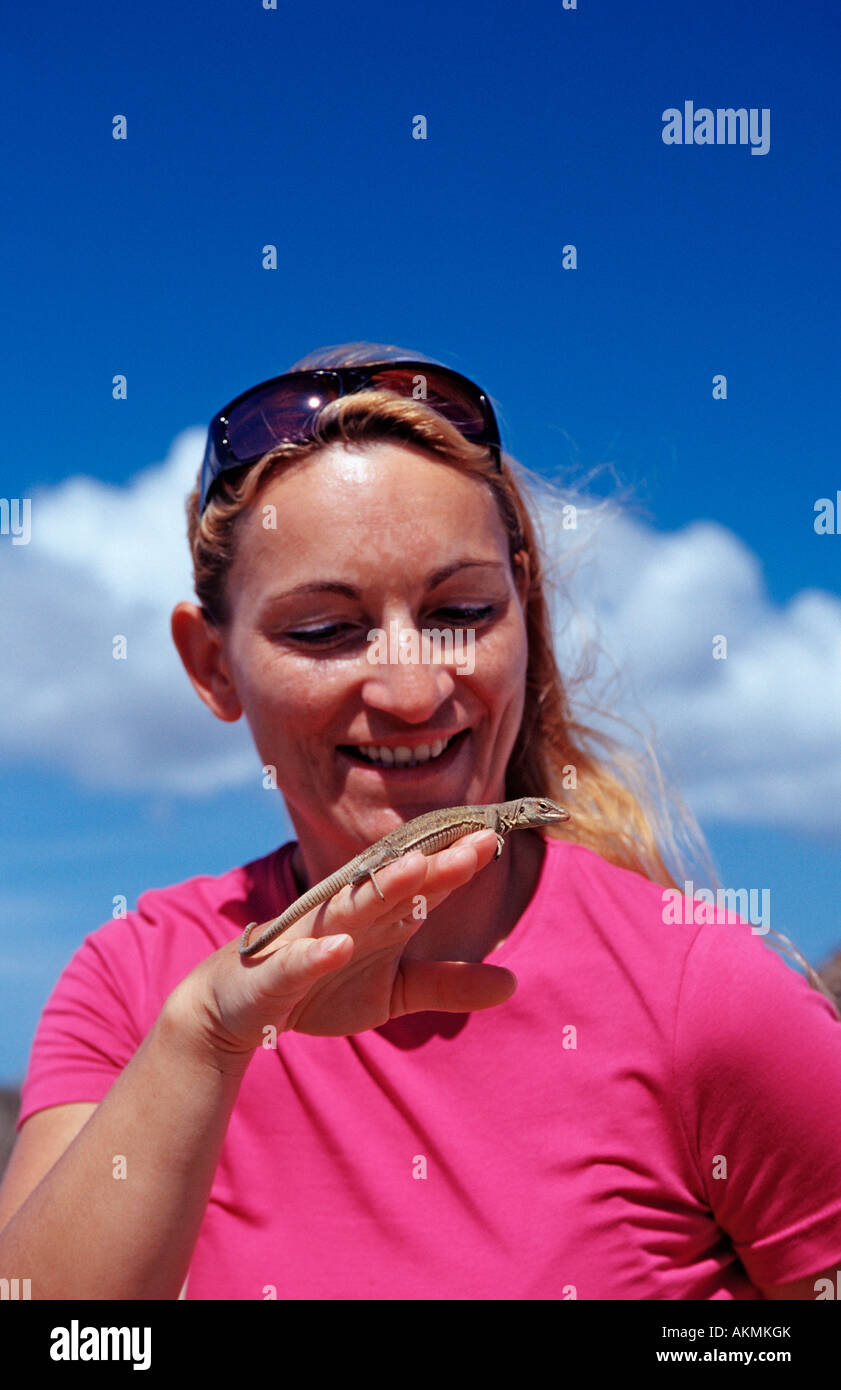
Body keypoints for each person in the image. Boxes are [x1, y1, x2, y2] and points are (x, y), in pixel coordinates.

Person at [1, 342, 840, 1301]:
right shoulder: (134, 983)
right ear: (213, 665)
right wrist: (204, 1041)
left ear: (525, 615)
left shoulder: (704, 996)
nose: (409, 689)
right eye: (322, 629)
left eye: (463, 610)